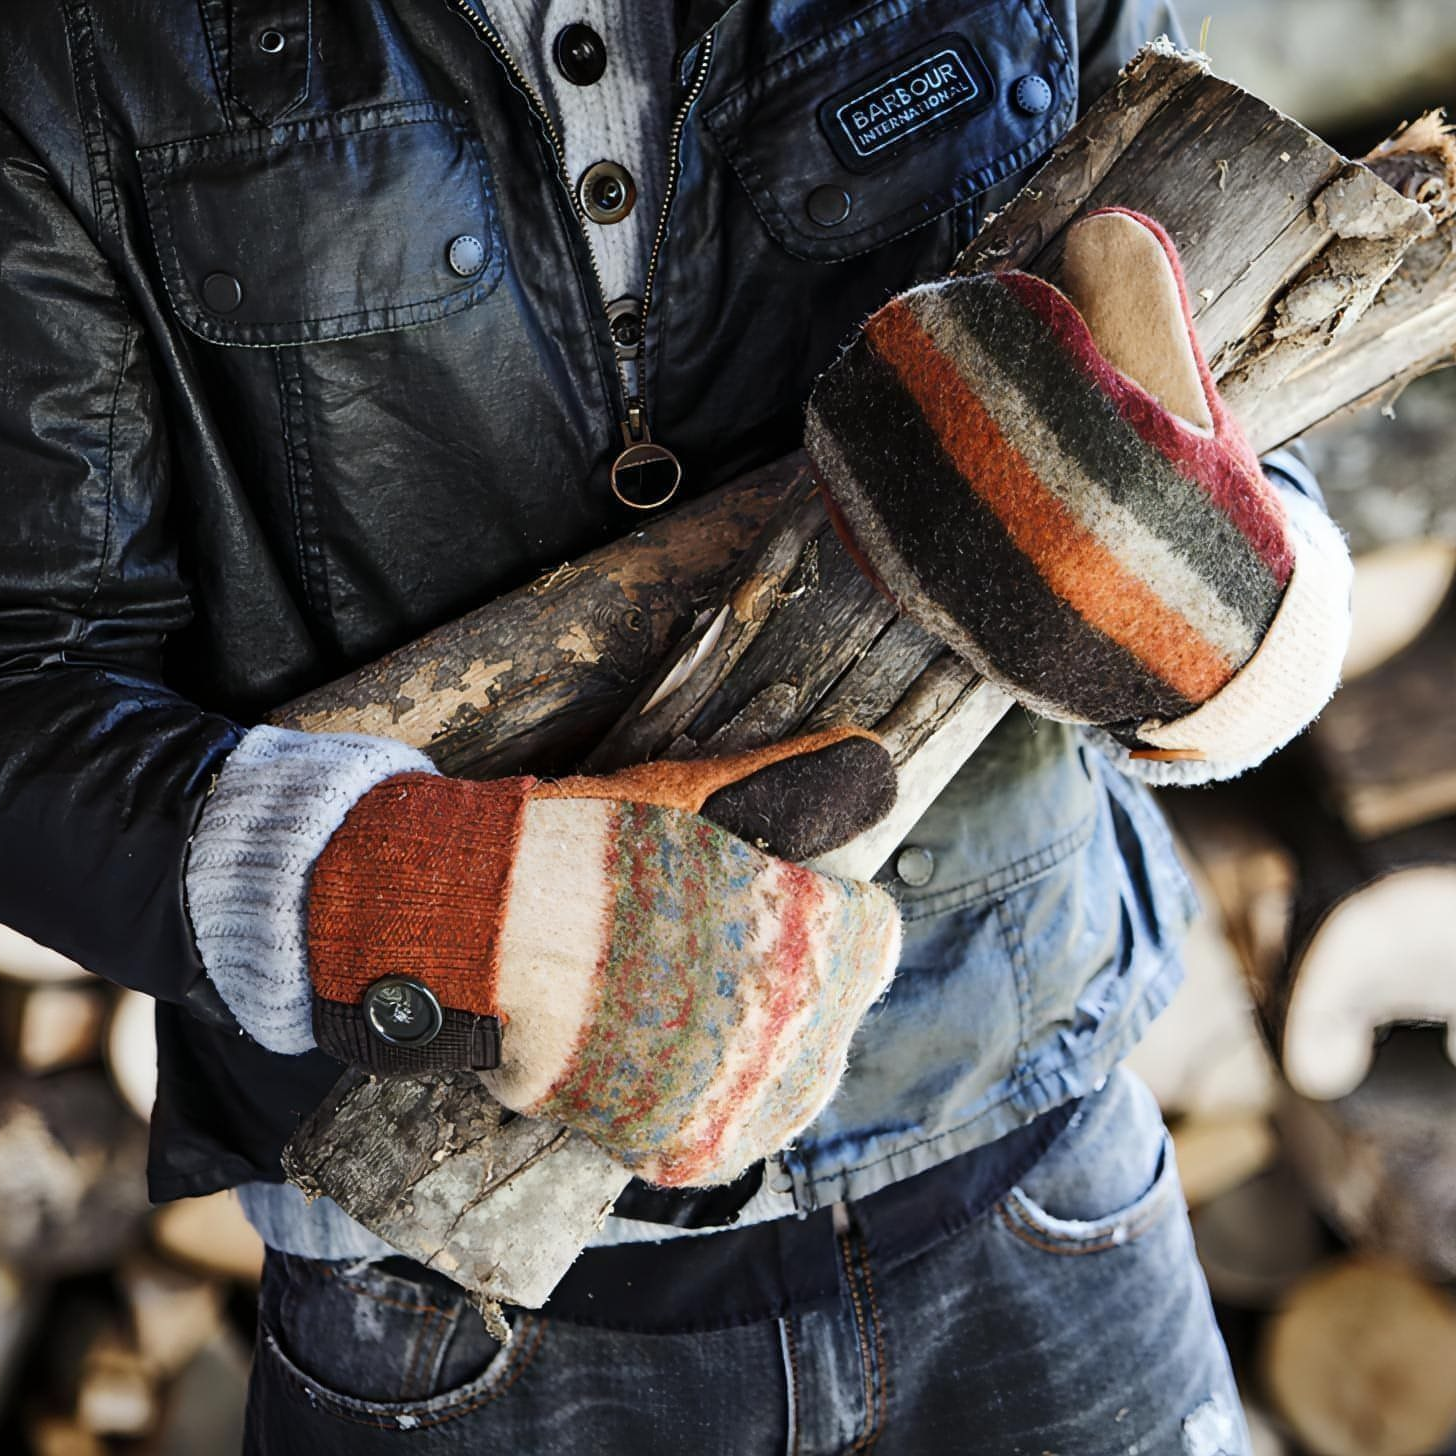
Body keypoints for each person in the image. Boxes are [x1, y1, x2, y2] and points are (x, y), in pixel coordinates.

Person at [0, 1, 1348, 1451]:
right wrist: (412, 905)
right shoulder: (72, 42)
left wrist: (1241, 615)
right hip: (453, 1290)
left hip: (1031, 1151)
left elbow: (1244, 386)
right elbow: (30, 674)